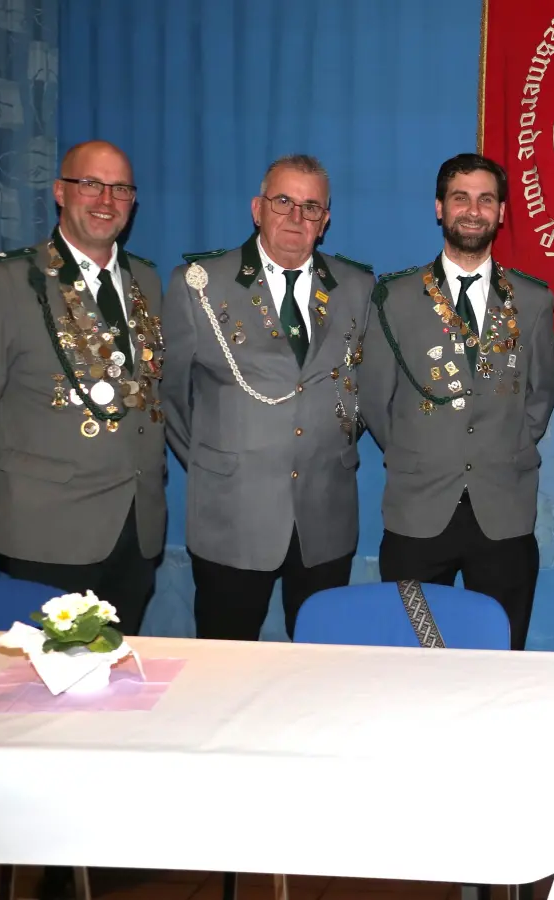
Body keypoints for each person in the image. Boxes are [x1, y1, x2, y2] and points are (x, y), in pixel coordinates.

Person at [0, 140, 165, 634]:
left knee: (113, 677)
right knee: (51, 688)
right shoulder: (5, 282)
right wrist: (8, 494)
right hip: (50, 530)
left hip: (137, 527)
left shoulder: (144, 279)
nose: (106, 201)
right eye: (91, 185)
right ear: (60, 192)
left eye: (120, 189)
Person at [160, 154, 374, 641]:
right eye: (283, 202)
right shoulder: (200, 284)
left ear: (325, 221)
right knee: (223, 666)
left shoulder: (357, 287)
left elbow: (361, 390)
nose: (296, 218)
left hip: (325, 515)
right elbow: (170, 396)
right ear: (258, 209)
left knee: (320, 667)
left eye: (311, 207)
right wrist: (220, 461)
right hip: (233, 513)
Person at [359, 153, 554, 650]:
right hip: (418, 511)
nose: (473, 210)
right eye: (460, 198)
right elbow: (376, 400)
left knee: (502, 654)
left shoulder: (533, 300)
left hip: (504, 510)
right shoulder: (395, 297)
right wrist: (423, 450)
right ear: (439, 208)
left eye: (486, 199)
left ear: (502, 212)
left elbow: (540, 397)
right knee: (415, 655)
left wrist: (500, 447)